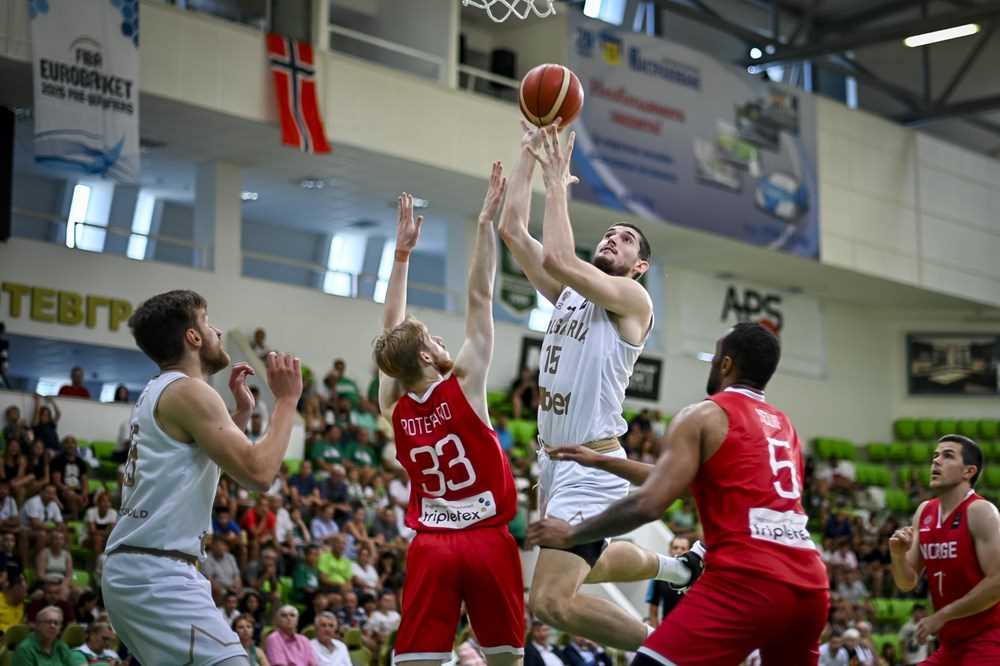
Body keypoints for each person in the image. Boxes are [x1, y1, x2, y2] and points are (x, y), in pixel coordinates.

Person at [499, 120, 699, 649]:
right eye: (609, 232)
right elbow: (513, 233)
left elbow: (560, 257)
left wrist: (558, 180)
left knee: (549, 602)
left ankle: (670, 654)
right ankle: (676, 570)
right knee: (589, 560)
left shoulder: (634, 302)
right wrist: (526, 156)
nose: (613, 238)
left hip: (591, 464)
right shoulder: (569, 297)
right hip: (554, 463)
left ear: (640, 266)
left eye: (626, 238)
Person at [528, 323, 830, 663]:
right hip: (810, 585)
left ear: (726, 364)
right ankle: (678, 569)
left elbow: (650, 503)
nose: (713, 364)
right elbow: (687, 485)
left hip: (747, 581)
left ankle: (676, 580)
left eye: (715, 358)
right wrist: (602, 461)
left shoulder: (705, 414)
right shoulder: (784, 427)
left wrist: (573, 532)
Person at [100, 289, 303, 666]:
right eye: (207, 322)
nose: (218, 331)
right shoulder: (189, 391)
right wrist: (288, 401)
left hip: (142, 569)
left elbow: (200, 468)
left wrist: (241, 416)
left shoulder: (161, 390)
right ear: (192, 337)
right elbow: (260, 475)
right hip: (155, 573)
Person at [373, 174, 524, 665]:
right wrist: (483, 225)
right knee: (506, 659)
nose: (443, 342)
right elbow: (481, 298)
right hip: (487, 541)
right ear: (426, 354)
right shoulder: (465, 384)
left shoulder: (393, 406)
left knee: (418, 660)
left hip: (432, 545)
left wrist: (400, 258)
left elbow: (389, 334)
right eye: (436, 339)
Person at [889, 435, 1000, 664]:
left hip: (990, 639)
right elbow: (906, 582)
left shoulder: (981, 511)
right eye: (935, 456)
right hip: (951, 645)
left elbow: (997, 583)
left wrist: (942, 615)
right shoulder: (925, 511)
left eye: (947, 456)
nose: (936, 461)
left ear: (968, 471)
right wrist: (898, 554)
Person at [646, 535, 690, 626]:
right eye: (675, 547)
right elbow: (653, 611)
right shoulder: (658, 576)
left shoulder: (698, 576)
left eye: (683, 548)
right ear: (670, 550)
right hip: (669, 628)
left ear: (689, 551)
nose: (679, 551)